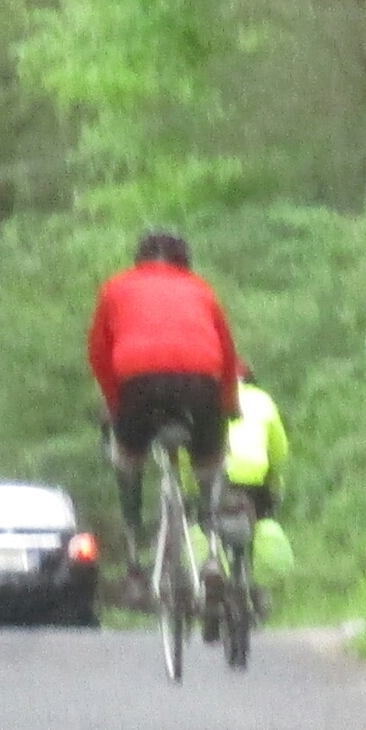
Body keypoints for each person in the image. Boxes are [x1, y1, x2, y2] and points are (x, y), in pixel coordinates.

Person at [87, 227, 241, 588]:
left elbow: (99, 353)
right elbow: (228, 353)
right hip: (200, 382)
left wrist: (114, 402)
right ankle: (213, 555)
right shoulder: (202, 289)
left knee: (127, 458)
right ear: (185, 262)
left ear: (138, 260)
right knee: (210, 463)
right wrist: (228, 404)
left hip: (138, 383)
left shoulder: (116, 288)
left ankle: (133, 558)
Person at [225, 363, 288, 523]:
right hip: (253, 472)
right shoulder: (261, 399)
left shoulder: (207, 400)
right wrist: (275, 481)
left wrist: (189, 488)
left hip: (216, 473)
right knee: (261, 518)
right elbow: (279, 450)